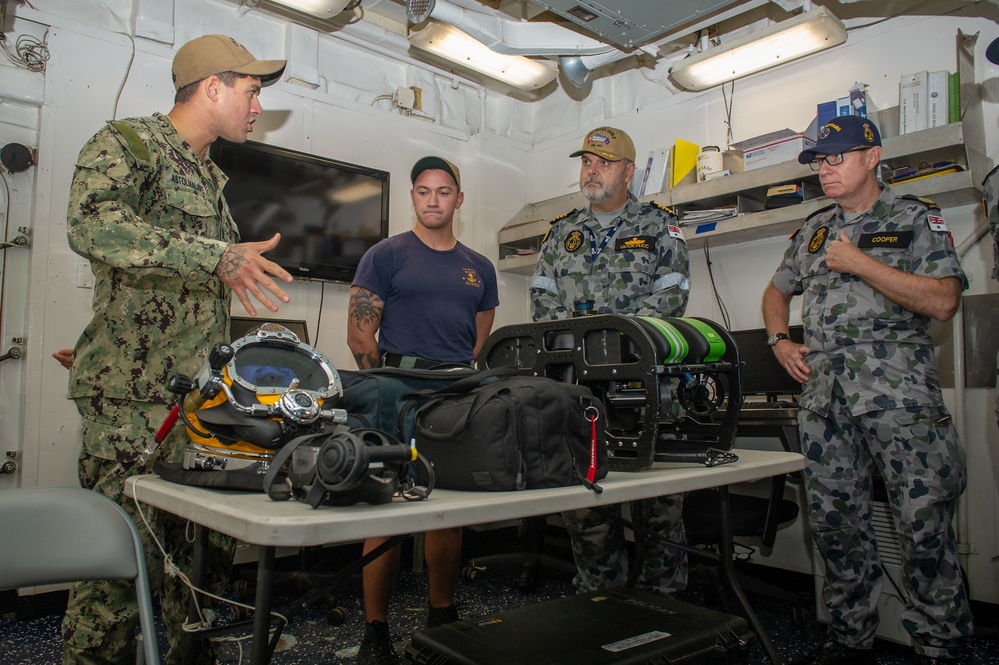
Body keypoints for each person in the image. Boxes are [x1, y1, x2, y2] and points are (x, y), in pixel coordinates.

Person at [62, 34, 290, 665]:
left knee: (195, 570)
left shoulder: (208, 178)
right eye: (251, 90)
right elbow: (92, 225)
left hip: (193, 405)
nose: (258, 106)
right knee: (112, 570)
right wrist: (215, 257)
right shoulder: (128, 144)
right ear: (212, 86)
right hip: (133, 401)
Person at [761, 115, 973, 665]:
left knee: (924, 527)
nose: (825, 170)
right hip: (825, 400)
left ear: (873, 157)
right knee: (836, 527)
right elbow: (775, 291)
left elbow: (944, 300)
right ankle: (849, 638)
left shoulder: (914, 219)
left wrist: (861, 262)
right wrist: (781, 341)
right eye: (819, 162)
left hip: (900, 398)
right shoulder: (813, 229)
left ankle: (941, 646)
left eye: (837, 158)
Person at [346, 156, 499, 664]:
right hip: (394, 387)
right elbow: (360, 332)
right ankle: (375, 631)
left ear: (459, 199)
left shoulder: (480, 267)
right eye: (423, 190)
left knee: (446, 508)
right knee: (384, 510)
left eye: (444, 191)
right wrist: (381, 387)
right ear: (413, 197)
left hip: (455, 390)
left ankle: (442, 617)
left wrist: (455, 373)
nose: (433, 199)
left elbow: (479, 334)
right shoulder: (385, 255)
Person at [530, 126, 690, 595]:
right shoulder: (562, 233)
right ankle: (599, 601)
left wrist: (614, 348)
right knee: (585, 507)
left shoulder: (660, 226)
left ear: (627, 171)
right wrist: (585, 356)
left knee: (660, 510)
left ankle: (667, 607)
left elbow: (670, 304)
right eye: (586, 162)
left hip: (644, 391)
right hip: (580, 393)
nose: (591, 170)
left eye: (602, 162)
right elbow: (543, 308)